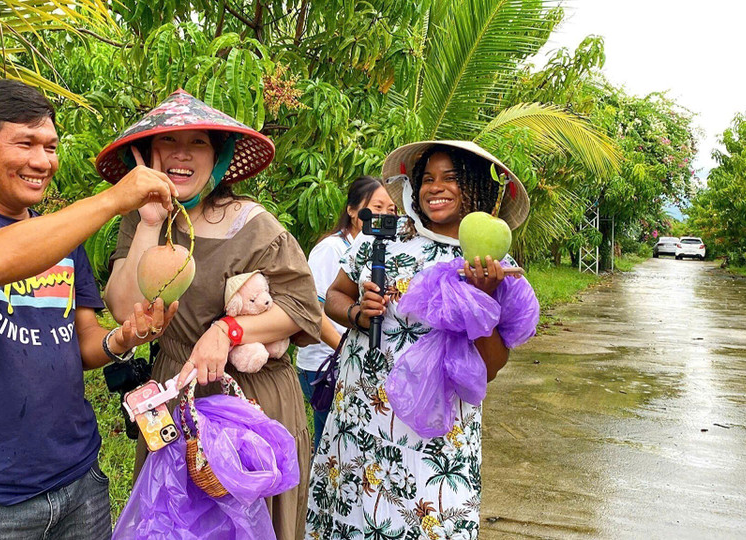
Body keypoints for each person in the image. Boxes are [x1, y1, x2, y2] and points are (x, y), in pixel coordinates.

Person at [0, 79, 179, 539]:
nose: (42, 161)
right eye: (24, 143)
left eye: (50, 146)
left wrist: (122, 339)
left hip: (79, 481)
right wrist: (111, 199)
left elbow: (81, 340)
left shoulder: (63, 238)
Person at [97, 89, 322, 539]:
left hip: (251, 398)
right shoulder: (142, 221)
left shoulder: (253, 224)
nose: (181, 155)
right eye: (168, 143)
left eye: (198, 143)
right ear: (148, 154)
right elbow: (125, 308)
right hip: (178, 393)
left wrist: (229, 330)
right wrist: (146, 221)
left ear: (219, 157)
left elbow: (302, 310)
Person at [305, 141, 531, 539]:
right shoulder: (383, 240)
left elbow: (491, 368)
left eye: (451, 178)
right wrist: (357, 313)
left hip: (434, 436)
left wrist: (482, 299)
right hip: (360, 419)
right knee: (350, 518)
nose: (435, 188)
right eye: (427, 178)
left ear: (476, 187)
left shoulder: (492, 266)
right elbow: (335, 297)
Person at [296, 176, 395, 452]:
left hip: (347, 362)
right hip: (323, 364)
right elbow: (315, 307)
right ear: (353, 210)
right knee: (330, 442)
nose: (385, 215)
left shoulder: (379, 247)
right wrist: (344, 348)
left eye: (392, 209)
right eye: (377, 206)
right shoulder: (332, 249)